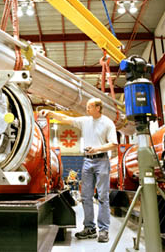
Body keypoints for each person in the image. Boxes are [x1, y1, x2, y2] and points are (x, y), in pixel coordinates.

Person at [41, 98, 118, 243]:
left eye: (90, 107)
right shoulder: (85, 121)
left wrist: (97, 148)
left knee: (102, 196)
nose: (87, 109)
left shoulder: (107, 123)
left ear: (98, 108)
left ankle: (104, 230)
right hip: (88, 161)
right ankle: (89, 228)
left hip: (102, 161)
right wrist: (51, 113)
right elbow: (66, 119)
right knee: (85, 196)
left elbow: (114, 144)